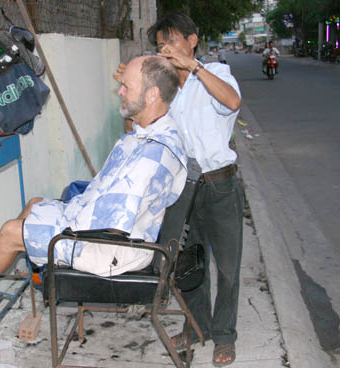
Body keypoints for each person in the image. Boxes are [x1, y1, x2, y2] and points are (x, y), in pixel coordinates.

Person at [0, 55, 188, 305]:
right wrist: (68, 209)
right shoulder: (154, 132)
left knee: (13, 231)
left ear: (152, 95)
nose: (120, 91)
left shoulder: (152, 154)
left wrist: (67, 223)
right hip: (116, 234)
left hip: (112, 250)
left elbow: (111, 223)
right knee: (35, 205)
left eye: (127, 87)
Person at [114, 12, 243, 367]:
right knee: (188, 264)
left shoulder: (216, 74)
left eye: (171, 42)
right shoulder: (167, 93)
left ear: (192, 40)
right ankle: (195, 326)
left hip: (221, 185)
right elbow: (136, 131)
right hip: (184, 188)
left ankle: (225, 335)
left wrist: (194, 67)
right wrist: (130, 93)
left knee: (228, 269)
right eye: (160, 46)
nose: (166, 50)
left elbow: (233, 103)